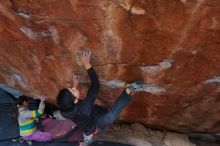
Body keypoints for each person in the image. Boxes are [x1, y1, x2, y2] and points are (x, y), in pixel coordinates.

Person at [56, 49, 143, 146]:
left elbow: (69, 101)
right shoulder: (84, 108)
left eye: (70, 89)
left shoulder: (63, 109)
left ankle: (87, 135)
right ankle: (127, 91)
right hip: (94, 124)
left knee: (95, 117)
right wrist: (87, 64)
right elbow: (95, 85)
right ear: (76, 100)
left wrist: (75, 85)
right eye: (73, 90)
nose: (73, 88)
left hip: (87, 119)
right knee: (111, 117)